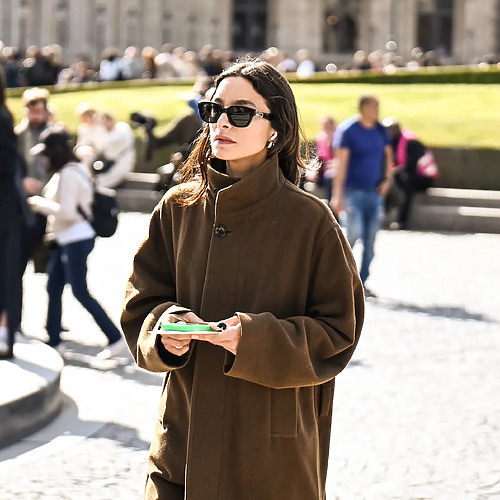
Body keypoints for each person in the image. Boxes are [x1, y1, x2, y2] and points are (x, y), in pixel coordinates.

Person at [121, 58, 364, 499]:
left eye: (240, 112)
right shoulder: (178, 207)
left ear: (276, 128)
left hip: (270, 453)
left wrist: (252, 339)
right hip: (184, 440)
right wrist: (164, 330)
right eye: (213, 110)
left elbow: (338, 331)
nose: (221, 122)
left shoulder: (310, 221)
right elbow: (142, 304)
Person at [27, 126, 127, 358]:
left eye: (47, 153)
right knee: (53, 287)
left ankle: (114, 337)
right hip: (67, 239)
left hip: (76, 238)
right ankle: (53, 339)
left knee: (80, 291)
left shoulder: (70, 174)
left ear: (56, 152)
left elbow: (68, 212)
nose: (44, 158)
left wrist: (38, 204)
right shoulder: (70, 170)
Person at [331, 95, 393, 294]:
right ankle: (339, 278)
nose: (377, 110)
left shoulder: (380, 130)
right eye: (374, 107)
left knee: (371, 239)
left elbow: (388, 156)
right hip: (352, 191)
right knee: (353, 233)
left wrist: (387, 179)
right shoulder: (348, 130)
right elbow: (340, 164)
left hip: (374, 192)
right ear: (363, 108)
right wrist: (337, 195)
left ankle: (361, 282)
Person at [0, 66, 32, 358]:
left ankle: (5, 335)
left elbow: (8, 163)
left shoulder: (2, 116)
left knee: (7, 277)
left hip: (5, 212)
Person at [383, 117, 438, 229]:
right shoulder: (393, 142)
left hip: (424, 178)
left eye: (389, 130)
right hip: (406, 175)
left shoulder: (411, 141)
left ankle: (402, 220)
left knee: (407, 181)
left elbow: (411, 166)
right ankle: (385, 209)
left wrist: (393, 171)